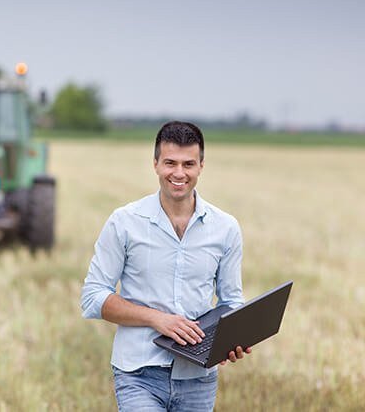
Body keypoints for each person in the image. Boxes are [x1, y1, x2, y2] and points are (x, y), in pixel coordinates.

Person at [80, 121, 251, 411]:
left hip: (198, 378)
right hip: (138, 374)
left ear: (201, 166)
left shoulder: (226, 228)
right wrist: (157, 319)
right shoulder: (124, 222)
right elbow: (93, 297)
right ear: (156, 164)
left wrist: (233, 340)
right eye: (170, 163)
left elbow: (231, 301)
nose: (179, 173)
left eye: (188, 164)